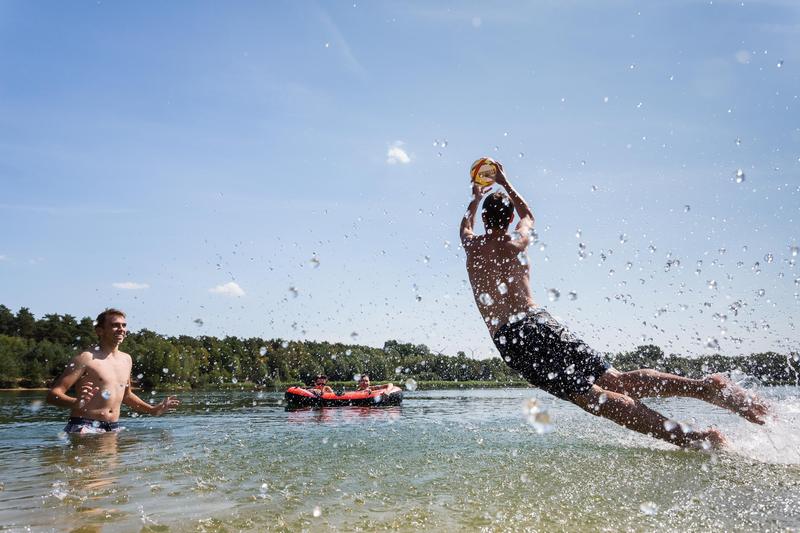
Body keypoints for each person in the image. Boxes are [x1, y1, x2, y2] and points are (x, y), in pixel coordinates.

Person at [459, 162, 769, 449]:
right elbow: (529, 216)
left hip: (513, 336)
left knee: (593, 398)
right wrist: (504, 181)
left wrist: (475, 197)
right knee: (617, 380)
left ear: (485, 218)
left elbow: (464, 228)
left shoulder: (473, 247)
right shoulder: (517, 242)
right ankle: (704, 387)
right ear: (508, 218)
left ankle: (697, 439)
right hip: (542, 320)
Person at [46, 308, 180, 434]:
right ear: (100, 331)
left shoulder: (126, 359)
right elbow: (53, 395)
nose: (121, 329)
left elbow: (126, 395)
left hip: (113, 427)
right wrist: (75, 402)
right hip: (84, 426)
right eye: (115, 325)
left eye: (124, 325)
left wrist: (152, 410)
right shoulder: (85, 358)